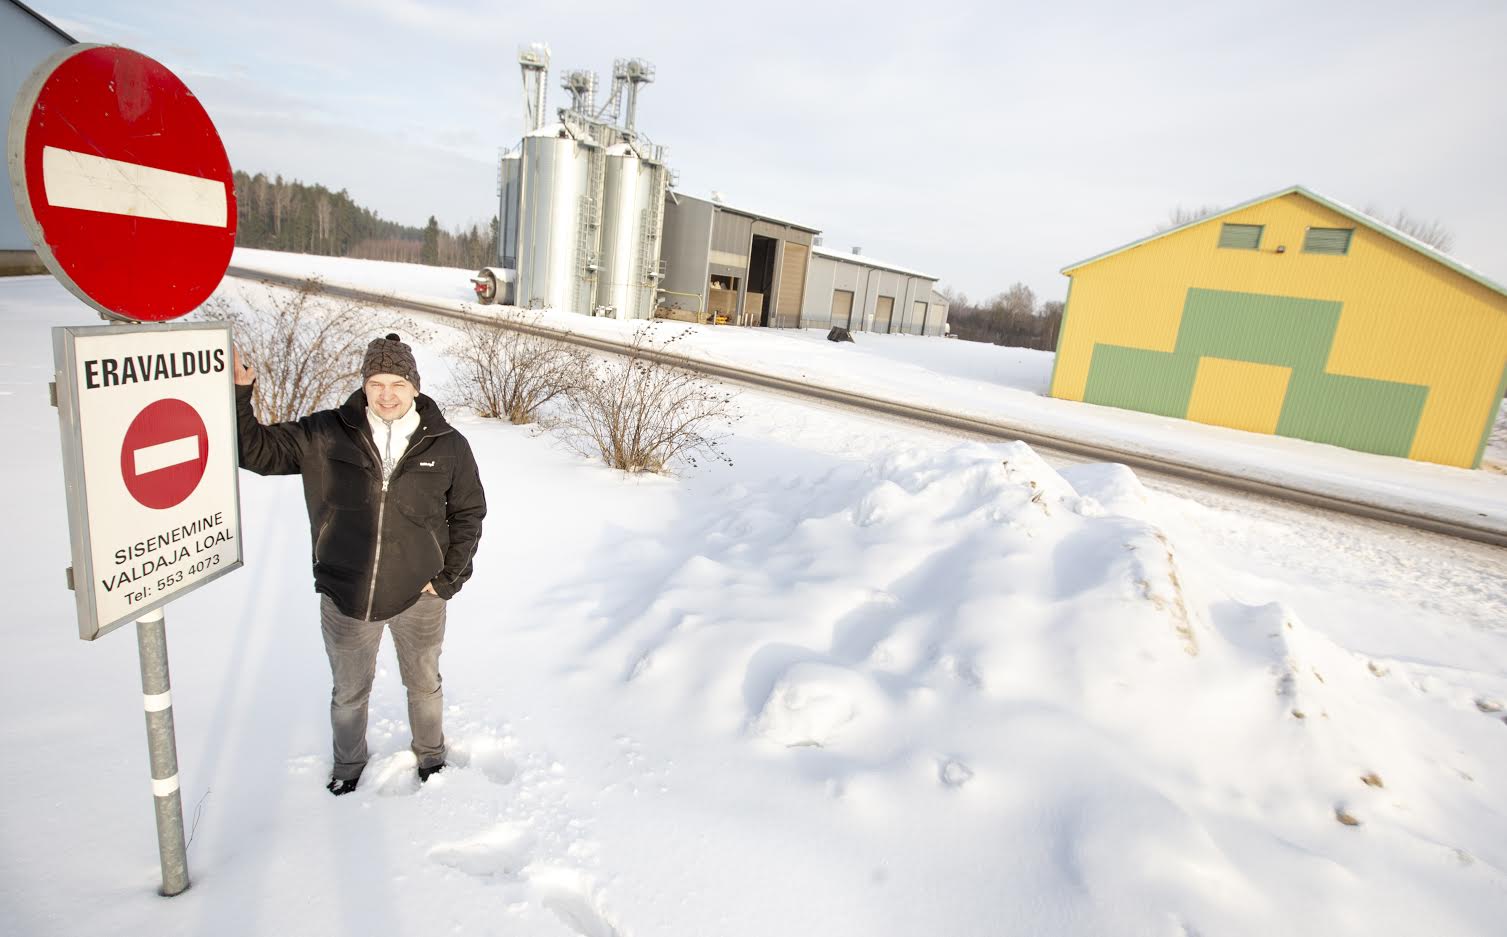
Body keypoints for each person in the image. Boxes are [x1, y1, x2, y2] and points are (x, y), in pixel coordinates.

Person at [233, 333, 486, 796]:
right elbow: (256, 452)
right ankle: (348, 765)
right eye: (376, 383)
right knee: (349, 693)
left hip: (420, 596)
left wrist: (448, 578)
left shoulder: (447, 445)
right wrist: (239, 397)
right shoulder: (326, 434)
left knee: (424, 683)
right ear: (363, 386)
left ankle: (431, 756)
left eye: (397, 383)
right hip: (346, 595)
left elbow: (468, 512)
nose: (386, 394)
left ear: (415, 387)